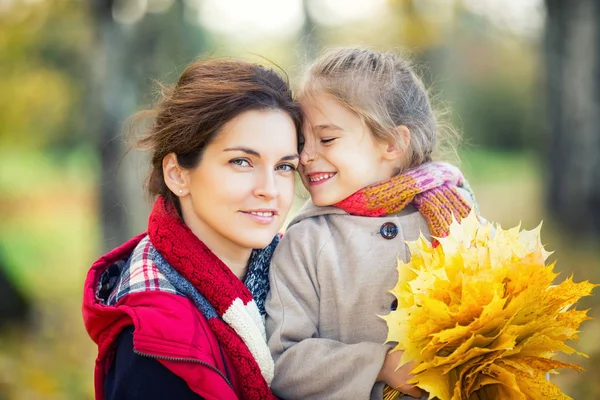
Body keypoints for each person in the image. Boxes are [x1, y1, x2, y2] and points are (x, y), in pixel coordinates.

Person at [82, 58, 302, 400]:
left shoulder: (303, 279)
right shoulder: (152, 343)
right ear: (177, 174)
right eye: (241, 162)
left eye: (285, 166)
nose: (270, 189)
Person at [265, 47, 477, 400]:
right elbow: (283, 362)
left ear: (392, 143)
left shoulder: (456, 217)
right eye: (302, 142)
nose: (305, 156)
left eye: (327, 138)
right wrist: (378, 365)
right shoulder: (305, 241)